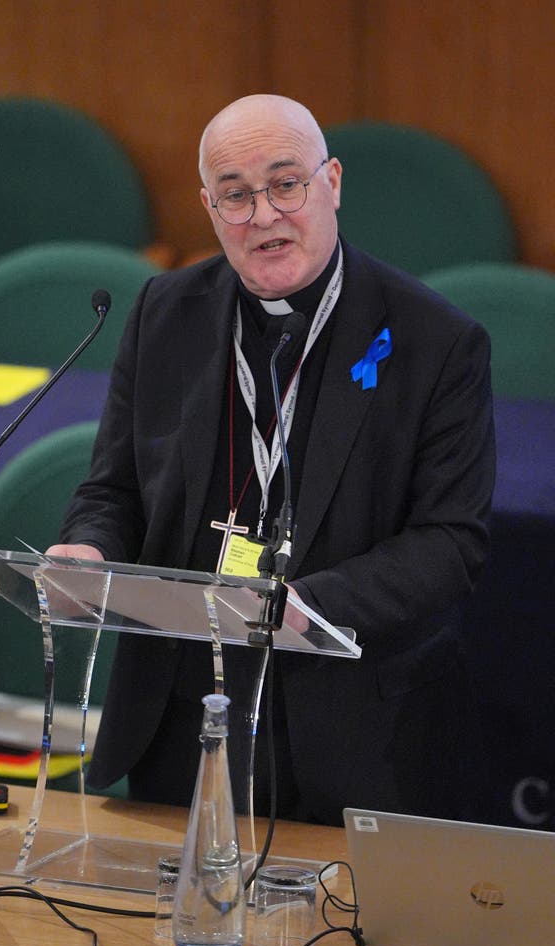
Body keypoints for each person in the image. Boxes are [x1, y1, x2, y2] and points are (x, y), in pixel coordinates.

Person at [47, 94, 495, 826]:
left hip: (349, 732)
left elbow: (453, 542)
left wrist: (310, 605)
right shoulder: (166, 311)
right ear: (208, 206)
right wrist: (88, 547)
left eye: (286, 184)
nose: (263, 216)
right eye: (235, 195)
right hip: (178, 717)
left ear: (333, 183)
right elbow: (114, 487)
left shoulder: (434, 341)